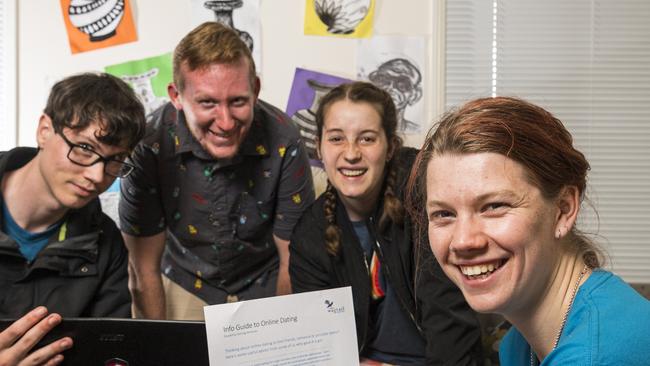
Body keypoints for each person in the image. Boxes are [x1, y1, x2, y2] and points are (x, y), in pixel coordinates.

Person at [407, 96, 650, 365]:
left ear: (564, 209)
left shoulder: (597, 355)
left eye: (494, 206)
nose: (463, 240)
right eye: (444, 214)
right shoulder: (519, 343)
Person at [120, 22, 314, 320]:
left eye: (237, 101)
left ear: (256, 90)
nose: (225, 122)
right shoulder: (148, 145)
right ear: (176, 96)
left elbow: (294, 259)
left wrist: (281, 339)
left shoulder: (285, 140)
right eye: (207, 102)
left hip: (266, 280)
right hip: (182, 279)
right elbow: (142, 267)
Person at [289, 82, 483, 365]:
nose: (351, 153)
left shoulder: (428, 198)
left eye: (367, 139)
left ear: (390, 147)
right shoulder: (310, 234)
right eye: (336, 139)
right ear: (318, 147)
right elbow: (320, 349)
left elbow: (452, 327)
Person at [0, 72, 146, 364]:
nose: (96, 176)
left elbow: (109, 356)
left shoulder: (107, 244)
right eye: (85, 148)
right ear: (44, 130)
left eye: (114, 160)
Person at [368, 58, 423, 133]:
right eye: (383, 81)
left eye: (402, 85)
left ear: (414, 95)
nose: (390, 88)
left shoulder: (416, 130)